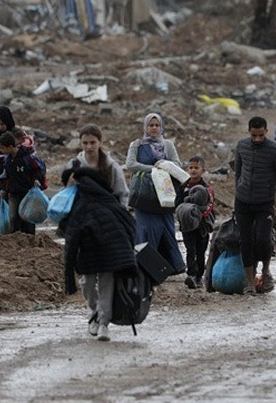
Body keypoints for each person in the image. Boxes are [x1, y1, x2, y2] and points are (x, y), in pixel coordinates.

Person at [63, 167, 138, 342]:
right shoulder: (79, 203)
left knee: (106, 285)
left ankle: (103, 323)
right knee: (88, 283)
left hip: (109, 253)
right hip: (89, 253)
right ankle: (95, 313)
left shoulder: (104, 202)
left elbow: (128, 227)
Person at [234, 116, 276, 295]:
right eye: (254, 135)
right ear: (248, 132)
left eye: (261, 135)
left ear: (266, 132)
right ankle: (250, 282)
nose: (257, 139)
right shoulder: (242, 146)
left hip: (264, 203)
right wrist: (236, 196)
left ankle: (266, 271)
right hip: (243, 202)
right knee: (245, 242)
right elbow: (238, 173)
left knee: (263, 240)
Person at [125, 113, 186, 274]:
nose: (153, 128)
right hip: (144, 195)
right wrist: (152, 169)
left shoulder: (168, 145)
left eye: (156, 125)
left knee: (166, 229)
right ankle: (147, 267)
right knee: (146, 229)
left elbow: (177, 163)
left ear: (161, 127)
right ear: (145, 127)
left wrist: (165, 165)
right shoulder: (136, 145)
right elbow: (130, 164)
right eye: (150, 125)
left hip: (165, 195)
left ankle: (171, 266)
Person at [175, 156, 215, 289]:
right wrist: (185, 214)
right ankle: (191, 275)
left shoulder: (207, 188)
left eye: (196, 168)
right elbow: (178, 205)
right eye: (191, 167)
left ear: (203, 170)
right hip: (187, 226)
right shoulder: (183, 187)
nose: (193, 170)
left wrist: (197, 213)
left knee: (201, 250)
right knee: (190, 250)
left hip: (202, 226)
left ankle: (199, 276)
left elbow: (209, 206)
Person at [67, 124, 129, 207]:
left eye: (93, 142)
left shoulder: (111, 166)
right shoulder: (74, 165)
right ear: (80, 143)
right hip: (80, 214)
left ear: (100, 143)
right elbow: (67, 193)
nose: (89, 147)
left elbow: (122, 194)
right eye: (85, 143)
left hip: (107, 213)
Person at [0, 131, 42, 235]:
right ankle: (16, 237)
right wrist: (4, 189)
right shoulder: (7, 159)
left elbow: (37, 170)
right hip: (13, 192)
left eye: (3, 148)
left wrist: (36, 179)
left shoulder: (26, 157)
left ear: (11, 146)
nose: (1, 150)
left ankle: (30, 238)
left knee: (28, 216)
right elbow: (6, 176)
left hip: (27, 192)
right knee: (13, 216)